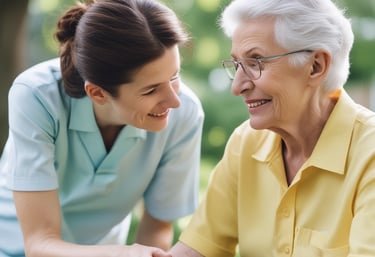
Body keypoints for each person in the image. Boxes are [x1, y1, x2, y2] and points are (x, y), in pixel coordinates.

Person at [169, 0, 375, 256]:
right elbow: (197, 251)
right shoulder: (246, 142)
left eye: (256, 62)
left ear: (316, 66)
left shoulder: (369, 154)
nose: (238, 87)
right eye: (237, 65)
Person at [0, 0, 204, 256]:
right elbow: (39, 244)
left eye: (174, 76)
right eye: (151, 89)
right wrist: (124, 254)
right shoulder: (36, 96)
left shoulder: (185, 112)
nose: (174, 101)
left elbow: (158, 226)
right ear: (97, 92)